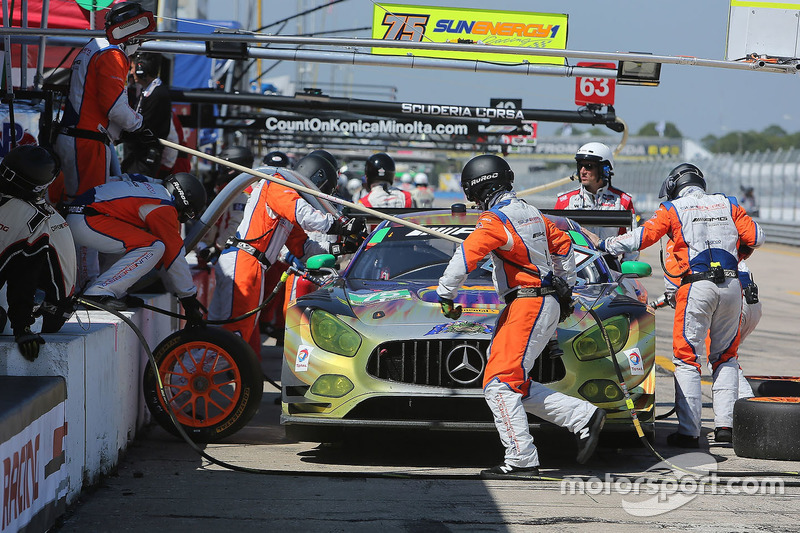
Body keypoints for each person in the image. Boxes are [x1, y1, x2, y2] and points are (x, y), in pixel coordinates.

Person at [437, 154, 606, 479]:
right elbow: (564, 246)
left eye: (473, 198)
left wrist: (445, 293)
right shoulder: (534, 214)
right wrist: (565, 288)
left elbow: (465, 255)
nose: (474, 204)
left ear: (480, 188)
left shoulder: (495, 219)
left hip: (528, 303)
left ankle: (521, 459)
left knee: (500, 385)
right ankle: (582, 416)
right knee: (510, 381)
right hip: (539, 302)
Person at [592, 163, 764, 447]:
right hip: (733, 285)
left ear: (674, 185)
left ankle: (688, 432)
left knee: (687, 358)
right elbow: (757, 237)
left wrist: (604, 244)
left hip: (696, 285)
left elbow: (641, 237)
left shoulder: (673, 209)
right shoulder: (728, 203)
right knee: (726, 357)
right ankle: (725, 428)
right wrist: (737, 251)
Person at [207, 156, 365, 353]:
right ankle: (185, 375)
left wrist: (343, 248)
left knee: (222, 333)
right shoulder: (276, 183)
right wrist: (340, 224)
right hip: (244, 261)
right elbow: (304, 214)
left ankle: (187, 371)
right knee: (234, 335)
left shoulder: (284, 207)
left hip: (248, 262)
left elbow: (303, 249)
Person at [65, 172, 207, 323]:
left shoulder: (151, 188)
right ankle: (100, 291)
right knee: (154, 247)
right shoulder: (164, 205)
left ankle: (110, 290)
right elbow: (174, 254)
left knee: (139, 239)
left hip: (81, 215)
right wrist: (189, 299)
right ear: (184, 200)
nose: (179, 217)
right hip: (88, 219)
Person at [53, 1, 155, 201]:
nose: (141, 43)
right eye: (139, 37)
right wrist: (138, 126)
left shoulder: (95, 46)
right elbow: (114, 106)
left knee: (75, 203)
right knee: (84, 207)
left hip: (81, 137)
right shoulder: (112, 53)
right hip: (86, 140)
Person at [0, 146, 77, 361]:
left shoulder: (30, 218)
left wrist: (21, 326)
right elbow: (22, 279)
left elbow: (23, 280)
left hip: (46, 309)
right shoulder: (37, 216)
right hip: (50, 310)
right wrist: (22, 327)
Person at [555, 142, 638, 262]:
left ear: (604, 169)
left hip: (609, 266)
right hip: (575, 266)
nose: (583, 171)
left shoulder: (623, 201)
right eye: (580, 166)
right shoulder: (565, 201)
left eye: (589, 166)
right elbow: (553, 239)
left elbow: (632, 243)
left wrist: (628, 271)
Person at [195, 146, 255, 267]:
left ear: (231, 169)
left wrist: (216, 247)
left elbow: (235, 226)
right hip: (222, 253)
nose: (219, 171)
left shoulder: (241, 193)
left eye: (222, 167)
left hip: (228, 255)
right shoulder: (231, 190)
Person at [121, 52, 171, 176]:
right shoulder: (147, 92)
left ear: (141, 69)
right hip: (136, 156)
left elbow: (145, 125)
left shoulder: (158, 94)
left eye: (132, 68)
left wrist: (119, 135)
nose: (131, 72)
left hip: (143, 158)